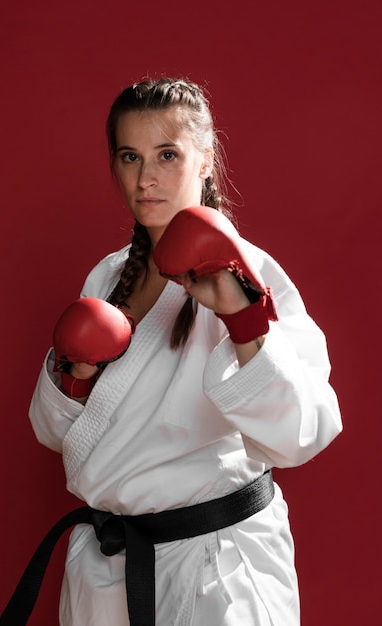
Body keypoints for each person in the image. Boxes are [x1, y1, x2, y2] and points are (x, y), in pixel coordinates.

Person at [26, 77, 342, 626]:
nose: (146, 179)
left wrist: (241, 318)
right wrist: (76, 374)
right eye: (130, 156)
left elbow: (303, 432)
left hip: (213, 569)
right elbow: (54, 434)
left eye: (167, 155)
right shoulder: (107, 275)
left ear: (205, 160)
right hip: (108, 566)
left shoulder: (252, 273)